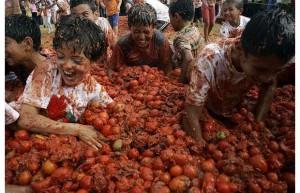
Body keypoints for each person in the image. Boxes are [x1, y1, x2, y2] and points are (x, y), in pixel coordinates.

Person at [183, 7, 294, 142]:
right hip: (206, 97)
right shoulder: (209, 60)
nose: (267, 77)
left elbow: (270, 83)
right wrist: (199, 145)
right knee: (192, 73)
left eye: (276, 71)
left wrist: (257, 125)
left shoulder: (268, 55)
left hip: (232, 102)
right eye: (261, 70)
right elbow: (191, 113)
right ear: (240, 50)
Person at [17, 15, 114, 150]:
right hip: (35, 145)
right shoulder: (47, 70)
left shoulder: (93, 89)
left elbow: (113, 113)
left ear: (92, 61)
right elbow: (26, 118)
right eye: (61, 57)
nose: (67, 65)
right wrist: (77, 129)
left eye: (77, 60)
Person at [5, 14, 45, 193]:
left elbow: (27, 121)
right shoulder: (14, 64)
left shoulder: (48, 72)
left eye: (5, 43)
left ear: (27, 44)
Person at [110, 3, 173, 74]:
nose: (141, 37)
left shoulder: (160, 41)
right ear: (130, 28)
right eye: (136, 32)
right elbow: (112, 70)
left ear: (154, 28)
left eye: (146, 32)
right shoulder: (122, 44)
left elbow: (167, 70)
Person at [70, 0, 117, 65]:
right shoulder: (70, 30)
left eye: (85, 14)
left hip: (103, 67)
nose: (80, 19)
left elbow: (114, 46)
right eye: (75, 16)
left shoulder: (103, 25)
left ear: (96, 14)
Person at [169, 0, 203, 83]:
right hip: (201, 70)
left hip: (190, 76)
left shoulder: (180, 38)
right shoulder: (194, 29)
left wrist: (180, 82)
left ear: (176, 17)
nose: (170, 22)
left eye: (170, 18)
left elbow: (188, 58)